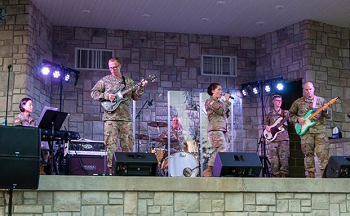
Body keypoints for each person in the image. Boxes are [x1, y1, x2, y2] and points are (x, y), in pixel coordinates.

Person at [91, 57, 148, 174]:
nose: (113, 70)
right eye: (110, 68)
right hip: (110, 118)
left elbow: (136, 97)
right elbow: (93, 93)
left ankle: (127, 170)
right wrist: (107, 96)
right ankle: (112, 171)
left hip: (125, 118)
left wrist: (141, 87)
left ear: (120, 66)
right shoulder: (105, 80)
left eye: (115, 67)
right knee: (111, 145)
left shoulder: (128, 81)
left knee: (127, 145)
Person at [289, 82, 330, 178]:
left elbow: (328, 115)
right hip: (306, 133)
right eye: (306, 90)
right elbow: (290, 115)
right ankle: (311, 180)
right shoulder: (298, 102)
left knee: (323, 156)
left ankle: (325, 180)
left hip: (320, 132)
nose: (309, 91)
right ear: (304, 90)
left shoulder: (320, 100)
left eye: (310, 89)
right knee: (308, 156)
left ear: (313, 89)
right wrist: (298, 119)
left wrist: (326, 110)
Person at [203, 83, 231, 177]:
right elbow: (221, 111)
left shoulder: (220, 102)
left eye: (221, 89)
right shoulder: (210, 101)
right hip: (216, 129)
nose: (220, 91)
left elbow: (225, 114)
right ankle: (210, 168)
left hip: (222, 129)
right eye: (218, 89)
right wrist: (227, 101)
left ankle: (210, 169)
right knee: (221, 149)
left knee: (221, 149)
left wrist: (225, 103)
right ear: (212, 91)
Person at [14, 98, 49, 175]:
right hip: (23, 142)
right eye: (30, 105)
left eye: (32, 105)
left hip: (32, 142)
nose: (32, 106)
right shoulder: (19, 118)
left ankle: (41, 168)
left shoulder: (32, 119)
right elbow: (18, 133)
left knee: (44, 148)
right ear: (23, 105)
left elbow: (35, 132)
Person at [264, 95, 290, 178]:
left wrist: (285, 122)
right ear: (273, 101)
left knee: (284, 159)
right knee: (274, 160)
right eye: (277, 100)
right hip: (272, 140)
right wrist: (266, 127)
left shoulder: (286, 113)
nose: (279, 102)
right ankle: (276, 177)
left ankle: (284, 178)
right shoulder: (269, 114)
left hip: (283, 139)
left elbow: (292, 121)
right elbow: (265, 123)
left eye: (280, 101)